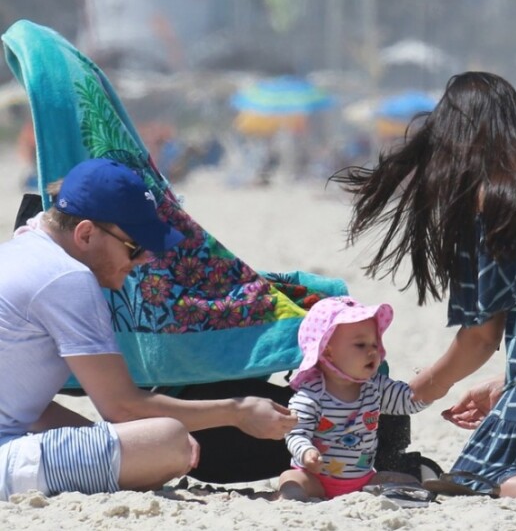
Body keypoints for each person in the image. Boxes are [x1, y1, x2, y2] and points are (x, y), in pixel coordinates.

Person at [332, 71, 516, 498]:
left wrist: (422, 389)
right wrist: (509, 384)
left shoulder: (491, 201)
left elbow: (481, 338)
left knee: (482, 477)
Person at [0, 158, 297, 501]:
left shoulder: (23, 247)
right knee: (168, 442)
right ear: (84, 233)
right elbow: (122, 408)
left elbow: (30, 408)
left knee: (148, 440)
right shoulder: (67, 277)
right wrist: (239, 411)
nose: (144, 261)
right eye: (135, 247)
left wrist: (112, 442)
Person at [278, 296, 427, 501]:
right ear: (328, 352)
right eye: (360, 345)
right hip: (315, 478)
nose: (372, 351)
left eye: (375, 343)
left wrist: (428, 388)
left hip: (363, 481)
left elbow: (406, 401)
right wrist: (306, 452)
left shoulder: (375, 386)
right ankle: (289, 498)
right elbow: (295, 433)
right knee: (291, 479)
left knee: (406, 480)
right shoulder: (310, 395)